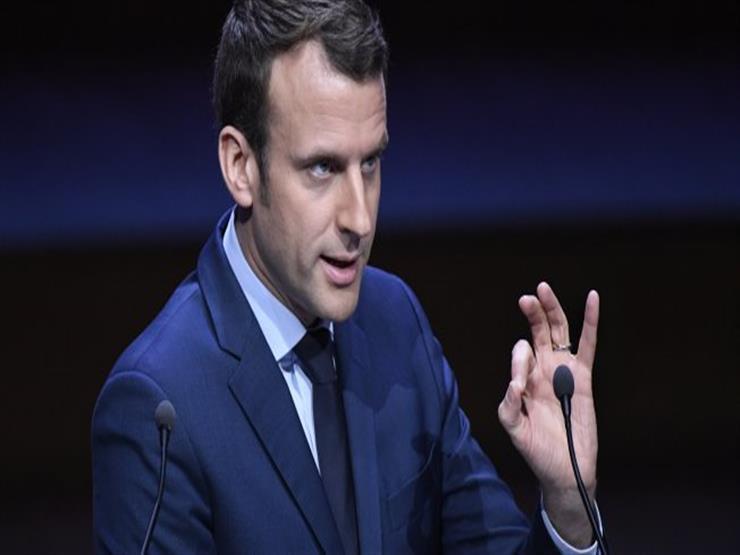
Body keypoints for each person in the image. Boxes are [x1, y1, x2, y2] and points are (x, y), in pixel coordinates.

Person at [92, 1, 603, 553]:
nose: (359, 218)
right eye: (323, 167)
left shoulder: (395, 323)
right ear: (241, 166)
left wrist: (568, 507)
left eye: (370, 164)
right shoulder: (159, 405)